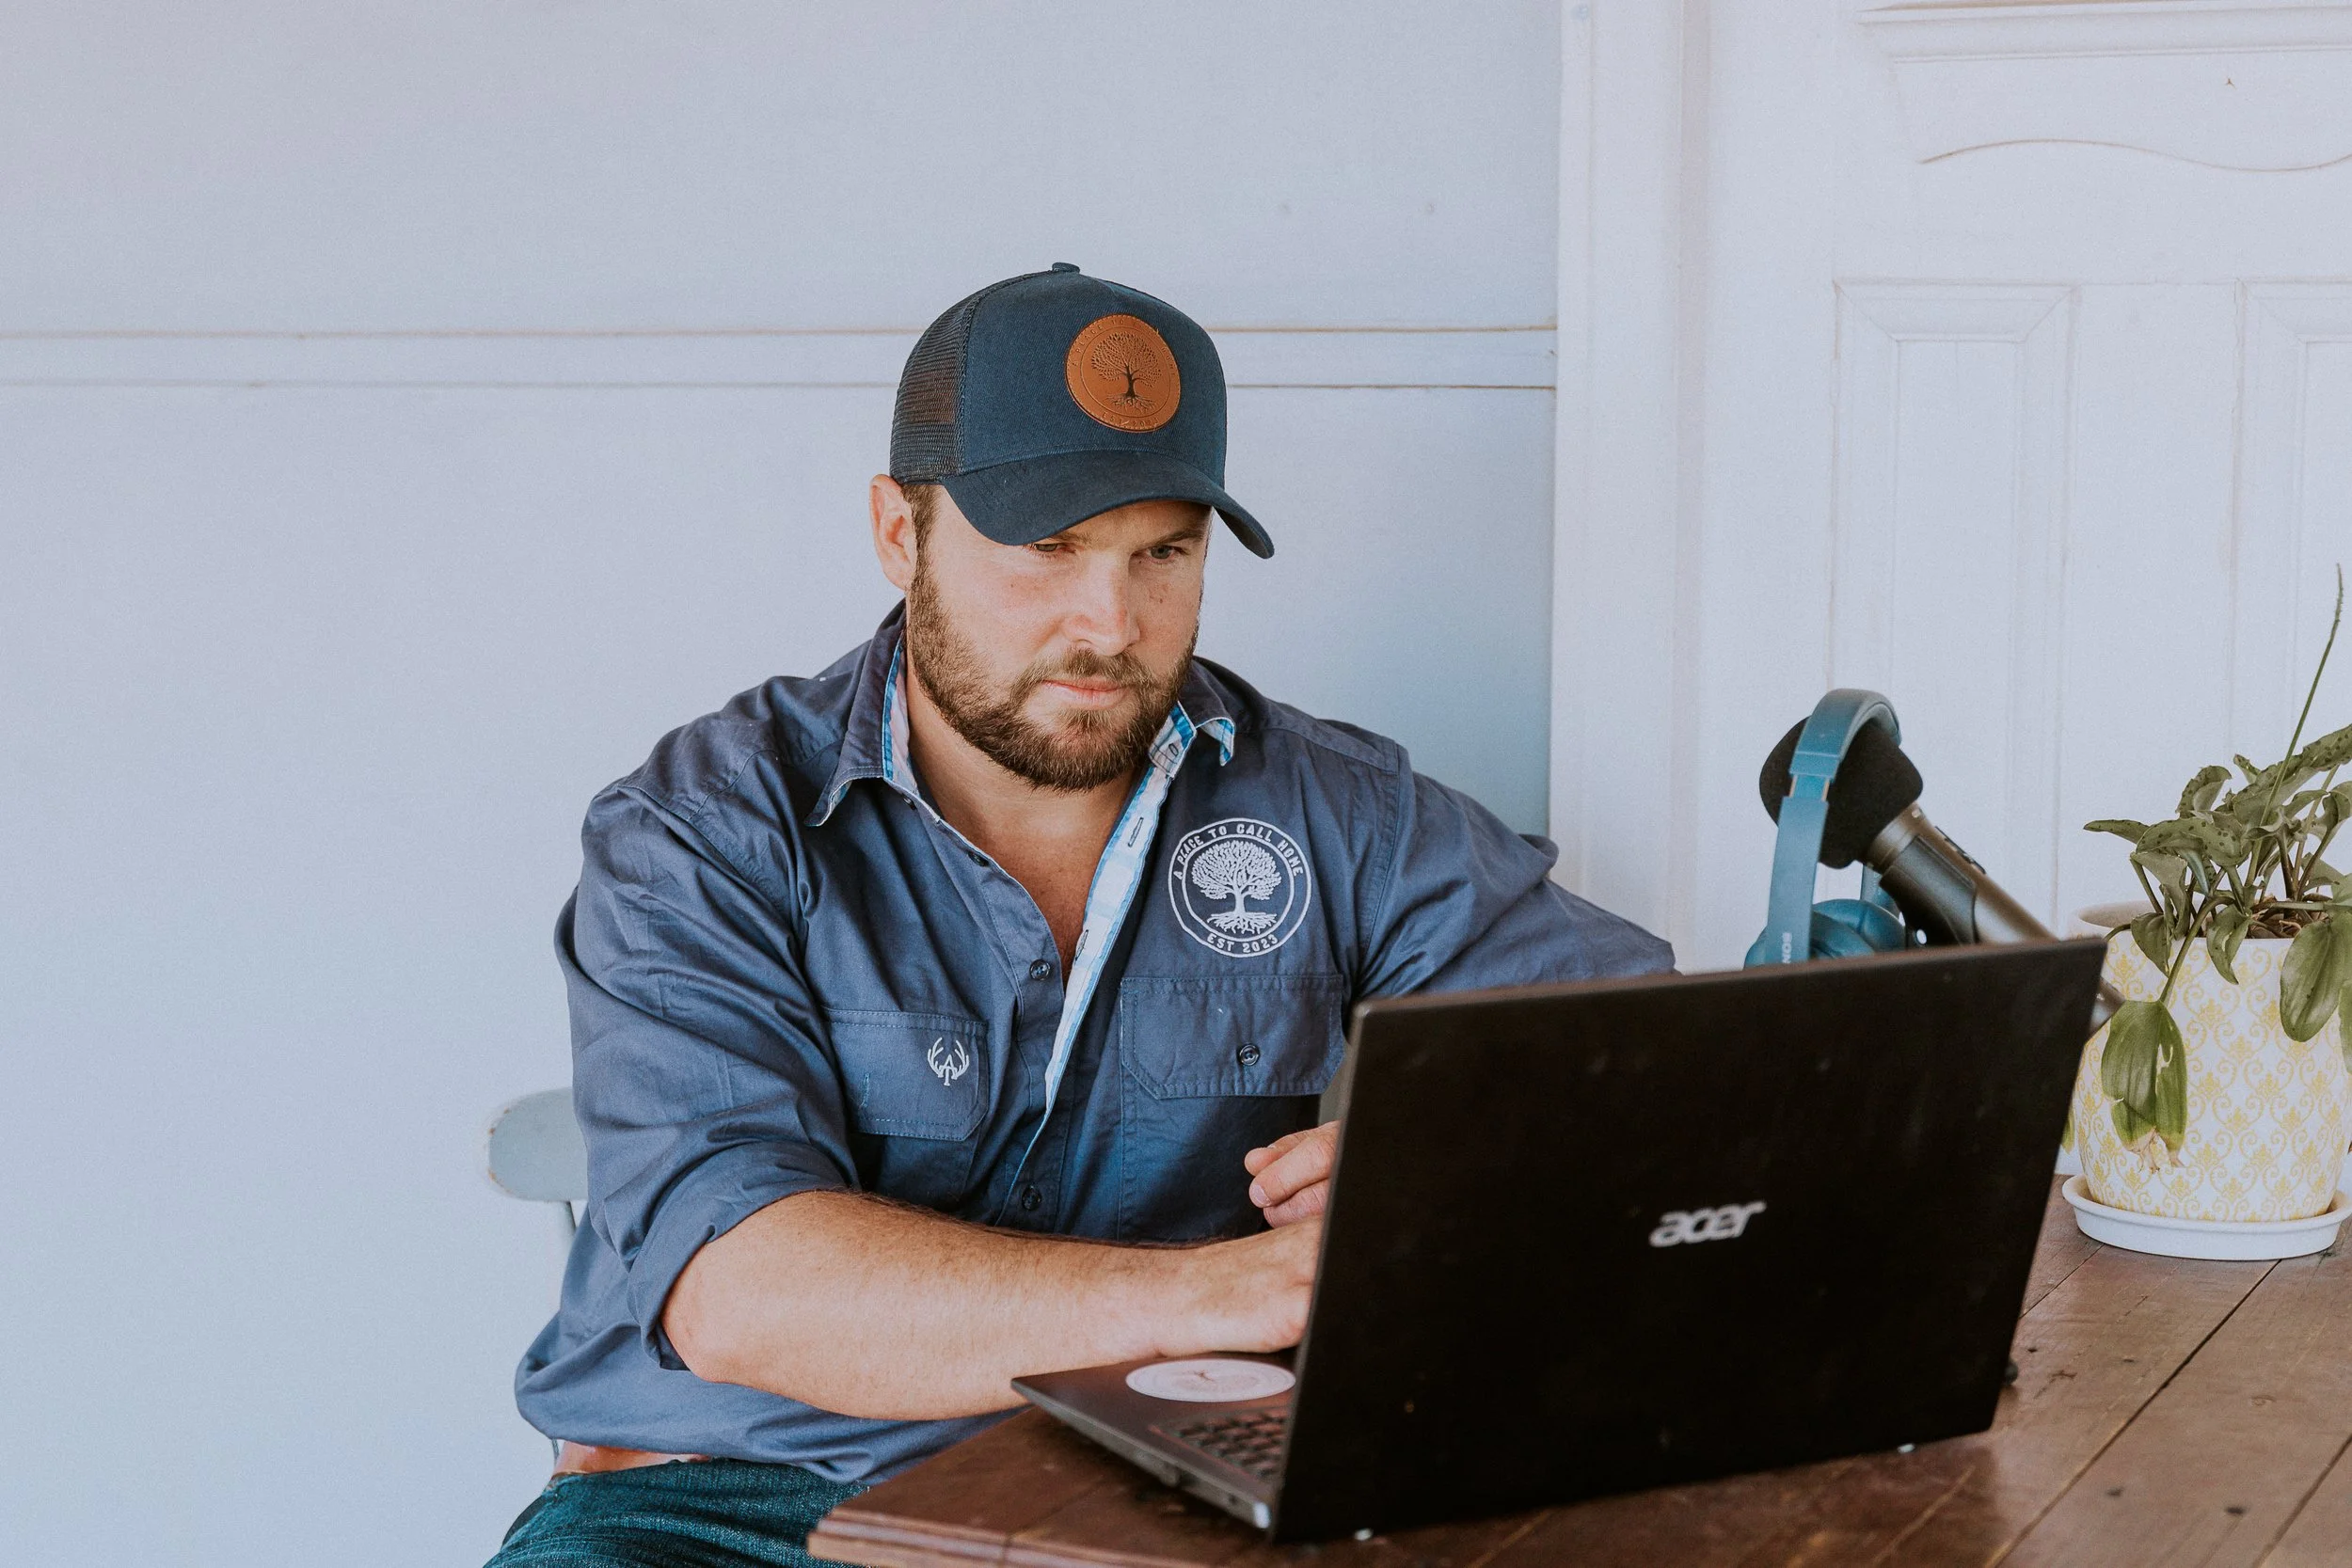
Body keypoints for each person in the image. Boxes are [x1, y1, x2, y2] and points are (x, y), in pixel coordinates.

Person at [486, 265, 1672, 1567]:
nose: (1108, 623)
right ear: (901, 530)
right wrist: (1227, 1296)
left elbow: (1661, 1078)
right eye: (1047, 548)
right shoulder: (705, 828)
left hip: (1148, 1492)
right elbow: (745, 1288)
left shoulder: (1340, 810)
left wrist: (1475, 1153)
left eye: (1161, 551)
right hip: (731, 1502)